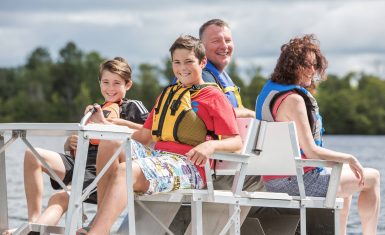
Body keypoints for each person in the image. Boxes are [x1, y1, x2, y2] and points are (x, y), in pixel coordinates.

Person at [76, 35, 242, 234]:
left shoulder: (214, 96)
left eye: (189, 61)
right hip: (159, 158)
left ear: (203, 62)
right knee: (110, 142)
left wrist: (211, 146)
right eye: (177, 62)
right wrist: (105, 125)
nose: (183, 68)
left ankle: (97, 232)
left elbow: (237, 142)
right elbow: (145, 136)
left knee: (124, 170)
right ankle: (98, 223)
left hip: (191, 167)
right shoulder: (168, 94)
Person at [1, 57, 148, 235]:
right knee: (33, 155)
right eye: (106, 82)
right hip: (81, 162)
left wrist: (115, 123)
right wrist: (69, 143)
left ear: (128, 85)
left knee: (62, 197)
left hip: (102, 170)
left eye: (116, 83)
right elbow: (80, 142)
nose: (110, 88)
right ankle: (33, 222)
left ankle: (38, 231)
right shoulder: (95, 109)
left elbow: (149, 133)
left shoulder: (132, 107)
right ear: (99, 83)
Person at [255, 34, 380, 235]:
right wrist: (349, 158)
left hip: (272, 182)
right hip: (298, 183)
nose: (312, 71)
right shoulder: (294, 100)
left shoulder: (268, 94)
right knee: (372, 177)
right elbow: (311, 152)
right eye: (307, 64)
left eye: (315, 65)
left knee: (344, 185)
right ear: (292, 65)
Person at [199, 18, 255, 118]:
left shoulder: (219, 74)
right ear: (201, 47)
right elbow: (215, 114)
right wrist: (249, 113)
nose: (224, 46)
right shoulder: (200, 76)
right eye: (216, 41)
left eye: (228, 40)